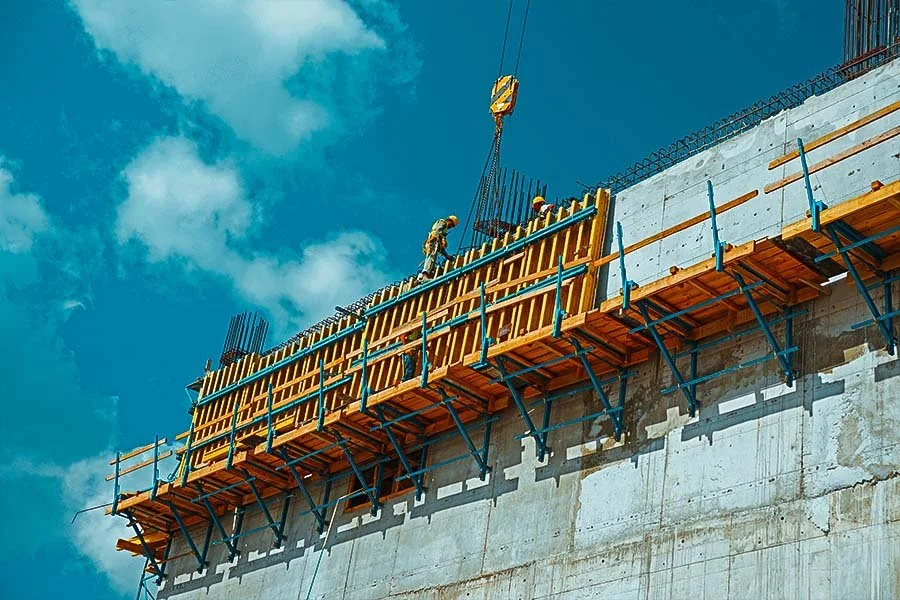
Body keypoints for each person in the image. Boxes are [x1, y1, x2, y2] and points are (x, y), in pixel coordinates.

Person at [418, 215, 458, 281]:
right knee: (431, 257)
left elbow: (440, 248)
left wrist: (447, 256)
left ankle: (424, 275)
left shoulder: (443, 231)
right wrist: (442, 238)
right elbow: (437, 230)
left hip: (434, 242)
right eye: (452, 225)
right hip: (433, 241)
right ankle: (425, 274)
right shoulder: (443, 222)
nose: (451, 227)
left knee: (432, 259)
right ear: (449, 220)